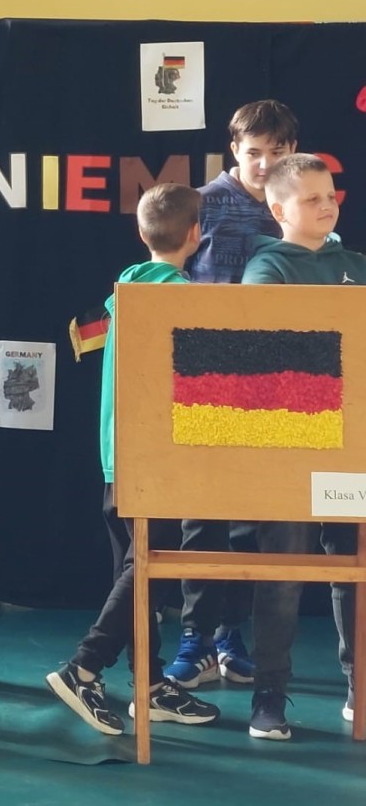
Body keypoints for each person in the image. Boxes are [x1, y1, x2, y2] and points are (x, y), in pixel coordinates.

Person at [47, 183, 220, 736]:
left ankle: (147, 683)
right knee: (146, 569)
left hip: (117, 458)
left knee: (136, 571)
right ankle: (83, 668)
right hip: (151, 461)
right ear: (196, 234)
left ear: (142, 233)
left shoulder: (128, 289)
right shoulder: (180, 297)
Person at [166, 99, 298, 690]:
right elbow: (169, 280)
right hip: (205, 380)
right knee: (202, 517)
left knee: (253, 519)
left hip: (278, 386)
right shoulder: (200, 204)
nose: (265, 163)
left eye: (277, 151)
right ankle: (195, 637)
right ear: (234, 151)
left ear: (292, 151)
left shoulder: (298, 205)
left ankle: (229, 634)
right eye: (254, 152)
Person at [240, 153, 364, 741]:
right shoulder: (266, 268)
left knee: (352, 566)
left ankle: (359, 684)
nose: (326, 205)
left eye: (330, 195)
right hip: (286, 445)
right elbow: (269, 349)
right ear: (278, 209)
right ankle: (269, 694)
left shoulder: (356, 266)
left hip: (351, 444)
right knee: (284, 569)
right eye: (311, 198)